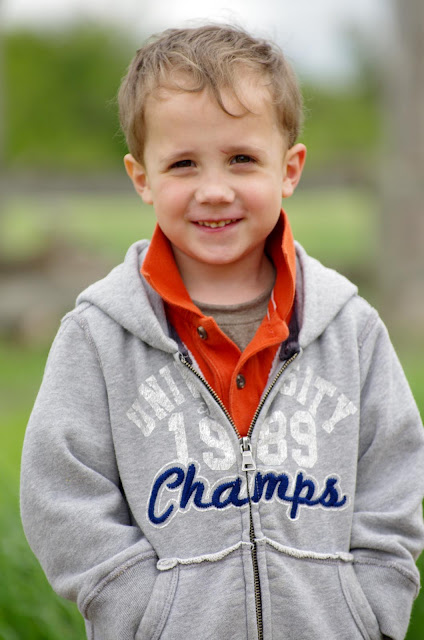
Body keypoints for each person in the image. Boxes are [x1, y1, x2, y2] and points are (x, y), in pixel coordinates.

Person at [20, 24, 424, 640]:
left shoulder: (351, 328)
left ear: (289, 168)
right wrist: (142, 612)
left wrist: (368, 609)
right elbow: (62, 491)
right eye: (183, 164)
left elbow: (393, 478)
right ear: (142, 177)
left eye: (242, 159)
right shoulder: (98, 335)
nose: (214, 190)